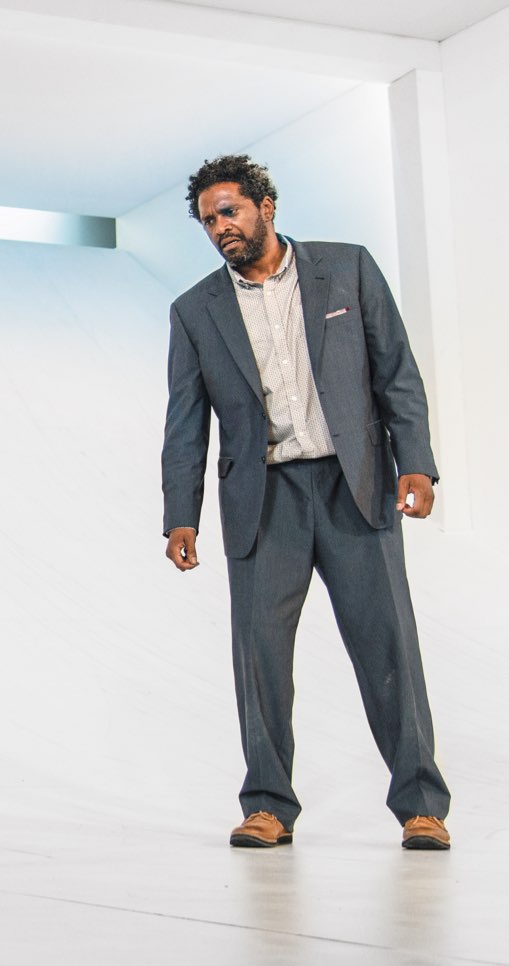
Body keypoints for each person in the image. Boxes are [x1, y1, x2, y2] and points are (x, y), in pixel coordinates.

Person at [160, 154, 452, 850]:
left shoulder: (346, 267)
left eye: (229, 211)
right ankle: (267, 804)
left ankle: (421, 805)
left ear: (266, 205)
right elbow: (184, 420)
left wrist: (418, 465)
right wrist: (180, 514)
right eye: (207, 220)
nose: (220, 227)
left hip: (356, 485)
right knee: (258, 656)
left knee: (388, 648)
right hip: (264, 499)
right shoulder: (195, 309)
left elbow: (397, 375)